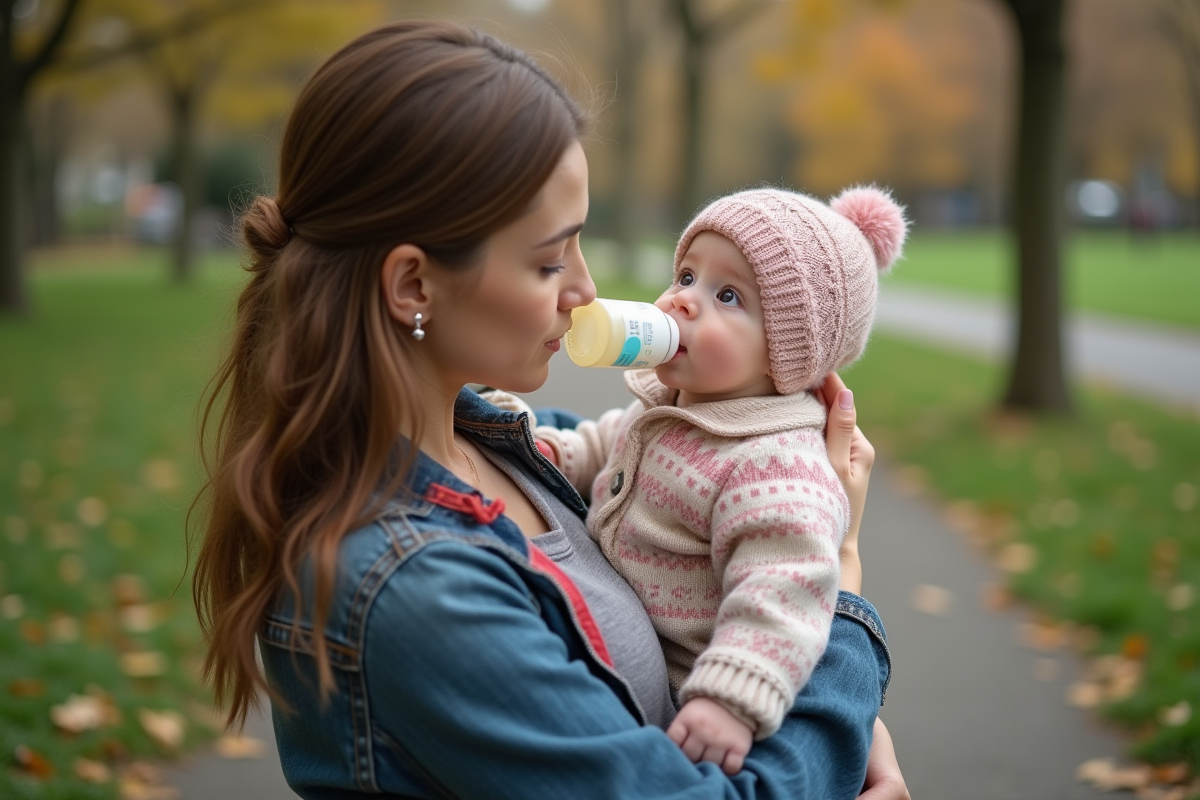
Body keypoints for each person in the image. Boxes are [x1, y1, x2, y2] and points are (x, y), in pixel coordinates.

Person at [190, 19, 909, 800]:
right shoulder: (418, 588)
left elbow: (643, 453)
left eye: (581, 242)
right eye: (548, 259)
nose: (587, 292)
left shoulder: (492, 440)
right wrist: (843, 603)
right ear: (413, 287)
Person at [493, 186, 906, 776]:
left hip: (700, 700)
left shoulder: (773, 465)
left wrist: (729, 697)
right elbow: (615, 441)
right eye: (686, 275)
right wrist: (559, 450)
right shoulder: (676, 401)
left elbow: (784, 588)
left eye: (728, 295)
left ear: (784, 356)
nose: (683, 301)